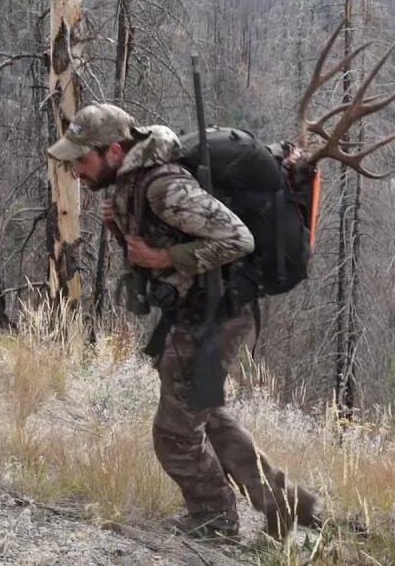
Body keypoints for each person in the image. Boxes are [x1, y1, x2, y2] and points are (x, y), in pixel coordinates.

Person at [47, 102, 319, 540]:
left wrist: (163, 257)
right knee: (205, 415)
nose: (76, 168)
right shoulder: (129, 181)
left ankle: (214, 520)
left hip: (218, 312)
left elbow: (238, 238)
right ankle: (285, 502)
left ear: (115, 151)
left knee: (174, 435)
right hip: (198, 308)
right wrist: (123, 231)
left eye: (82, 158)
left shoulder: (164, 187)